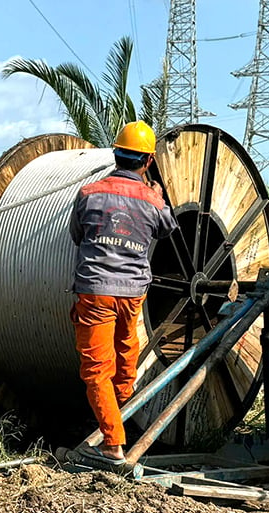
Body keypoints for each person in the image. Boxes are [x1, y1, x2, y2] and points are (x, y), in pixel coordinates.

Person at [68, 121, 179, 463]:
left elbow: (77, 235)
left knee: (97, 368)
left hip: (96, 291)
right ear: (147, 162)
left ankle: (113, 443)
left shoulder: (88, 194)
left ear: (116, 155)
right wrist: (157, 198)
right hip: (132, 293)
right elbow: (170, 229)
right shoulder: (152, 200)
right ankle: (120, 404)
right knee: (125, 349)